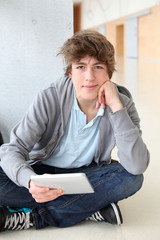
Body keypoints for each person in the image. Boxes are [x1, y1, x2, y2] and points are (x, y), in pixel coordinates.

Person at [0, 30, 149, 231]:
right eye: (81, 67)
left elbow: (137, 164)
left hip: (87, 175)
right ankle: (89, 207)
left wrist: (116, 107)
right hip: (42, 172)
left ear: (109, 72)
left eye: (98, 67)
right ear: (70, 72)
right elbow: (13, 149)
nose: (89, 77)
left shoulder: (122, 103)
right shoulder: (49, 98)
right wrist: (29, 181)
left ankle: (34, 218)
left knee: (132, 178)